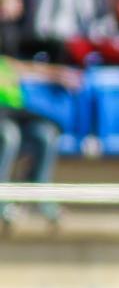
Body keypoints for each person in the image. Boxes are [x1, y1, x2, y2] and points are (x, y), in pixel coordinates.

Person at [0, 55, 81, 225]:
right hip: (5, 123)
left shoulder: (5, 64)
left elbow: (30, 69)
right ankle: (2, 200)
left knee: (45, 134)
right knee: (8, 135)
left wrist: (59, 74)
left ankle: (38, 196)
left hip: (14, 115)